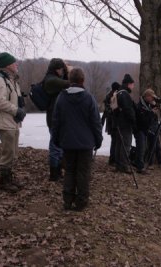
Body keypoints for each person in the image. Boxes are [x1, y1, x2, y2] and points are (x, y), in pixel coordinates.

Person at [52, 67, 103, 211]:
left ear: (70, 80)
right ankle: (81, 202)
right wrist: (98, 140)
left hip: (68, 142)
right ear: (83, 80)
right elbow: (95, 122)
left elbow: (56, 121)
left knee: (69, 171)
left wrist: (56, 139)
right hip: (85, 144)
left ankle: (67, 201)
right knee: (83, 172)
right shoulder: (89, 98)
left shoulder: (61, 98)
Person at [0, 52, 26, 193]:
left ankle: (9, 178)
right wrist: (16, 111)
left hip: (13, 122)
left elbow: (13, 98)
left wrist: (20, 107)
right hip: (5, 123)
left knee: (13, 152)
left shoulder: (12, 80)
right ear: (7, 65)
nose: (16, 64)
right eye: (14, 62)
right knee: (8, 153)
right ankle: (4, 182)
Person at [43, 58, 70, 181]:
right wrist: (70, 73)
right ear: (56, 69)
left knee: (58, 145)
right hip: (54, 118)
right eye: (60, 69)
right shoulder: (50, 80)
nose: (61, 71)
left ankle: (58, 171)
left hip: (55, 117)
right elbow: (67, 84)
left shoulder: (52, 78)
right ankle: (54, 174)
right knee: (55, 146)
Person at [114, 74, 137, 173]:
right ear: (129, 84)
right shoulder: (125, 94)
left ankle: (119, 165)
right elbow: (128, 110)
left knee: (119, 144)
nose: (133, 86)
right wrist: (133, 121)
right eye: (133, 84)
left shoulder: (118, 92)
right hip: (125, 124)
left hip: (119, 123)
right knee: (126, 145)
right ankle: (124, 166)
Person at [134, 88, 158, 173]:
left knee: (143, 148)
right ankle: (140, 168)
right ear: (147, 96)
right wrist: (151, 113)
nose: (152, 99)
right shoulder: (140, 106)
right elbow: (142, 119)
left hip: (144, 130)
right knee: (141, 148)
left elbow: (150, 118)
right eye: (151, 97)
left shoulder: (147, 105)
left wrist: (154, 107)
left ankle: (141, 165)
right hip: (139, 129)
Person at [101, 82, 120, 166]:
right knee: (115, 141)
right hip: (113, 122)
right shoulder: (112, 97)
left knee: (114, 140)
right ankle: (113, 159)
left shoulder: (109, 96)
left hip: (111, 121)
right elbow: (109, 110)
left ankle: (113, 159)